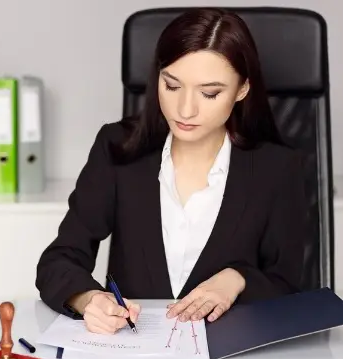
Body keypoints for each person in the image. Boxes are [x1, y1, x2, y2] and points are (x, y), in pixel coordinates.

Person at [35, 8, 307, 335]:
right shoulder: (117, 148)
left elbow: (291, 285)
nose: (185, 109)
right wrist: (88, 299)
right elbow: (59, 260)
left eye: (209, 93)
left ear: (242, 89)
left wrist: (238, 279)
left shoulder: (276, 168)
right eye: (172, 86)